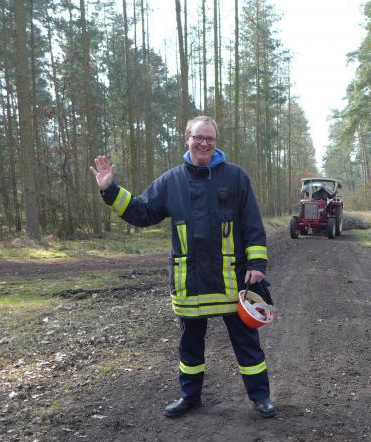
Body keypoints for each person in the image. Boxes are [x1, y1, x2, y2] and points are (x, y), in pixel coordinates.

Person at [90, 116, 276, 419]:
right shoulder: (171, 181)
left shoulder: (236, 177)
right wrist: (110, 190)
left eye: (210, 138)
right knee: (190, 345)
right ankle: (190, 397)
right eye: (198, 137)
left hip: (231, 277)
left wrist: (257, 263)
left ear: (216, 142)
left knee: (246, 343)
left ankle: (261, 397)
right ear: (186, 138)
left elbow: (252, 223)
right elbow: (142, 212)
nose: (204, 143)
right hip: (189, 280)